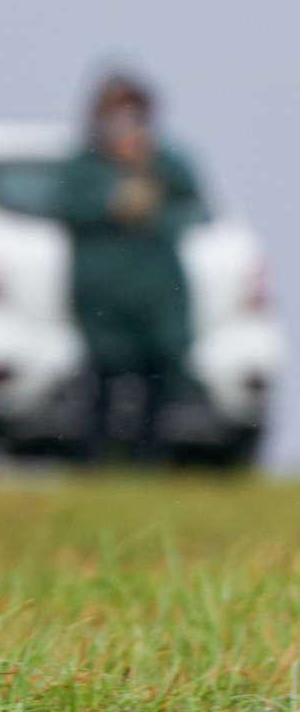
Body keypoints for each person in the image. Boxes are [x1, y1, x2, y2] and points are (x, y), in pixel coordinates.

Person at [54, 72, 205, 462]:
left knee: (158, 377)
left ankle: (149, 460)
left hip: (155, 292)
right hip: (102, 293)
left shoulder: (165, 162)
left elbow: (193, 207)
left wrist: (152, 202)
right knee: (103, 378)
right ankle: (96, 460)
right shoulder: (84, 165)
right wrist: (112, 204)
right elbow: (64, 207)